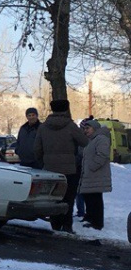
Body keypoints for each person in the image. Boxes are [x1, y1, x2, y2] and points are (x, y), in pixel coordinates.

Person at [34, 99, 88, 234]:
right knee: (68, 198)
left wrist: (44, 162)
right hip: (69, 169)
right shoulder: (71, 126)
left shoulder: (43, 127)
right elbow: (84, 141)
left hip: (49, 169)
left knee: (53, 197)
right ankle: (67, 225)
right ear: (66, 110)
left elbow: (36, 149)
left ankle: (55, 224)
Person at [79, 118, 112, 230]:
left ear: (95, 128)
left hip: (96, 174)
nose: (85, 131)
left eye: (88, 128)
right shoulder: (92, 139)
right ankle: (92, 219)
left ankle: (97, 223)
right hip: (91, 175)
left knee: (95, 199)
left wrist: (92, 166)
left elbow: (102, 155)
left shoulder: (101, 139)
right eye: (84, 129)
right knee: (90, 197)